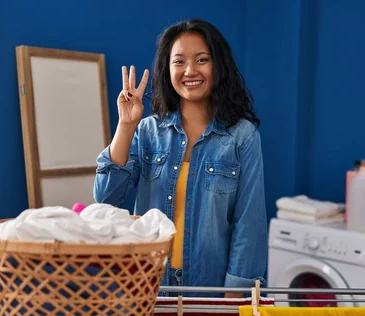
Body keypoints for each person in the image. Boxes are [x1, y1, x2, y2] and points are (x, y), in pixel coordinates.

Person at [94, 19, 267, 297]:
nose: (190, 71)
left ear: (218, 66)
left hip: (210, 289)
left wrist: (234, 295)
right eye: (179, 62)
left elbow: (249, 222)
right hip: (147, 286)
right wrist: (126, 125)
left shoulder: (242, 136)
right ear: (168, 69)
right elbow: (106, 198)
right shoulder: (148, 131)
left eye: (202, 60)